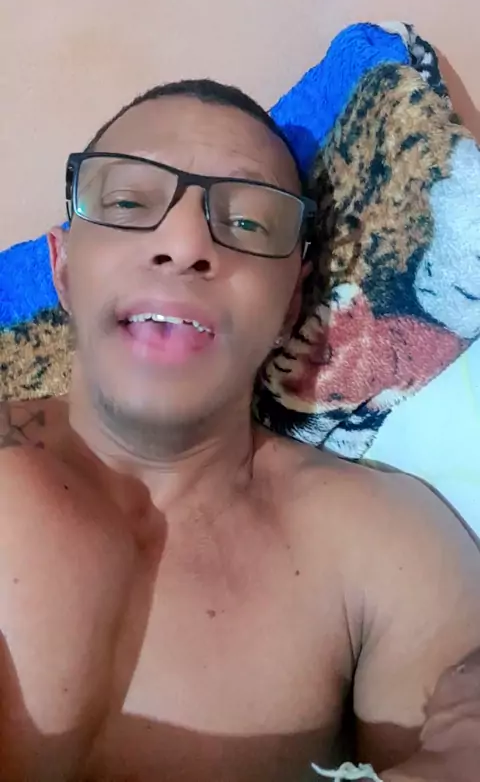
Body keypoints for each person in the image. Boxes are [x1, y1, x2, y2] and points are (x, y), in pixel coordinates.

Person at [1, 79, 480, 782]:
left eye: (249, 223)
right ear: (63, 268)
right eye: (129, 203)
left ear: (291, 302)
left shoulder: (389, 549)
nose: (184, 244)